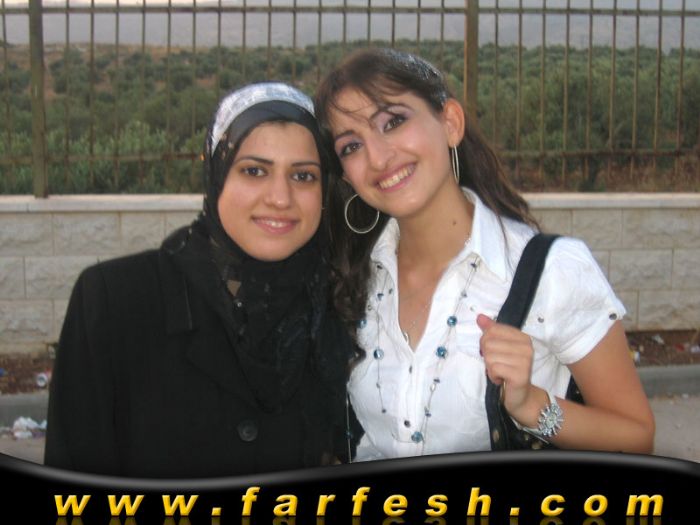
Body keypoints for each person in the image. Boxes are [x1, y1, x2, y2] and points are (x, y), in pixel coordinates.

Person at [314, 48, 655, 460]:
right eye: (351, 146)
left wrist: (531, 405)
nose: (378, 157)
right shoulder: (352, 279)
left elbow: (636, 437)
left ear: (450, 123)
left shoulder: (551, 270)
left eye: (394, 122)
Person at [44, 82, 355, 477]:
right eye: (254, 171)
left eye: (303, 176)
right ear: (216, 174)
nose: (280, 197)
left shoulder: (338, 308)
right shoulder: (115, 301)